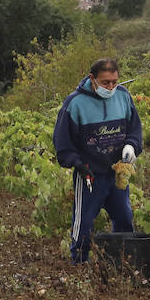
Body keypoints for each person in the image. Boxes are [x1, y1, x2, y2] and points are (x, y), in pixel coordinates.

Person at [53, 58, 143, 264]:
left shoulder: (123, 96)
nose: (111, 87)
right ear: (92, 79)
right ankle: (80, 262)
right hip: (89, 174)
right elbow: (62, 142)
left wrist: (131, 146)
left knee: (124, 218)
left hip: (117, 173)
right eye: (105, 82)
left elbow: (135, 129)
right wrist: (78, 164)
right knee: (84, 222)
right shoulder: (74, 103)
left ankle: (122, 261)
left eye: (114, 81)